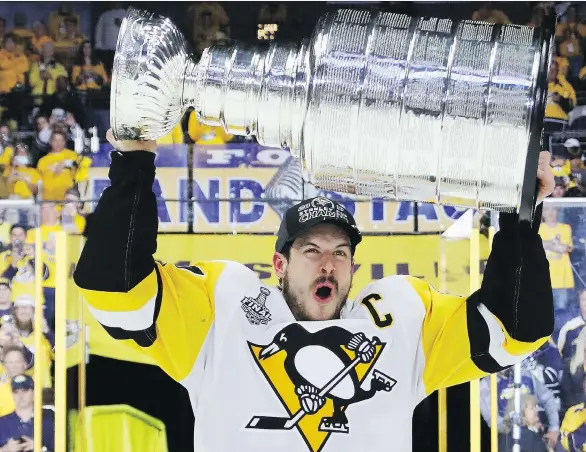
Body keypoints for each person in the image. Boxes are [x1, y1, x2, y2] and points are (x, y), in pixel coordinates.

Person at [73, 130, 555, 452]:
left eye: (340, 253)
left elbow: (515, 328)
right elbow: (114, 288)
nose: (328, 263)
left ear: (352, 267)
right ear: (279, 264)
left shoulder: (399, 322)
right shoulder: (223, 311)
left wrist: (520, 215)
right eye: (311, 250)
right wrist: (134, 163)